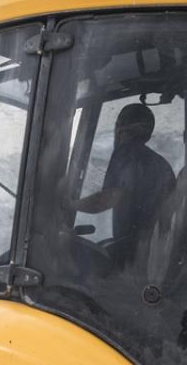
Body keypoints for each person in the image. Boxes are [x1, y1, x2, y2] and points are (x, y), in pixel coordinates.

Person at [73, 103, 177, 259]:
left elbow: (107, 198)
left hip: (132, 258)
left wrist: (70, 204)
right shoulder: (164, 166)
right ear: (148, 133)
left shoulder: (126, 152)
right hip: (157, 258)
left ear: (120, 127)